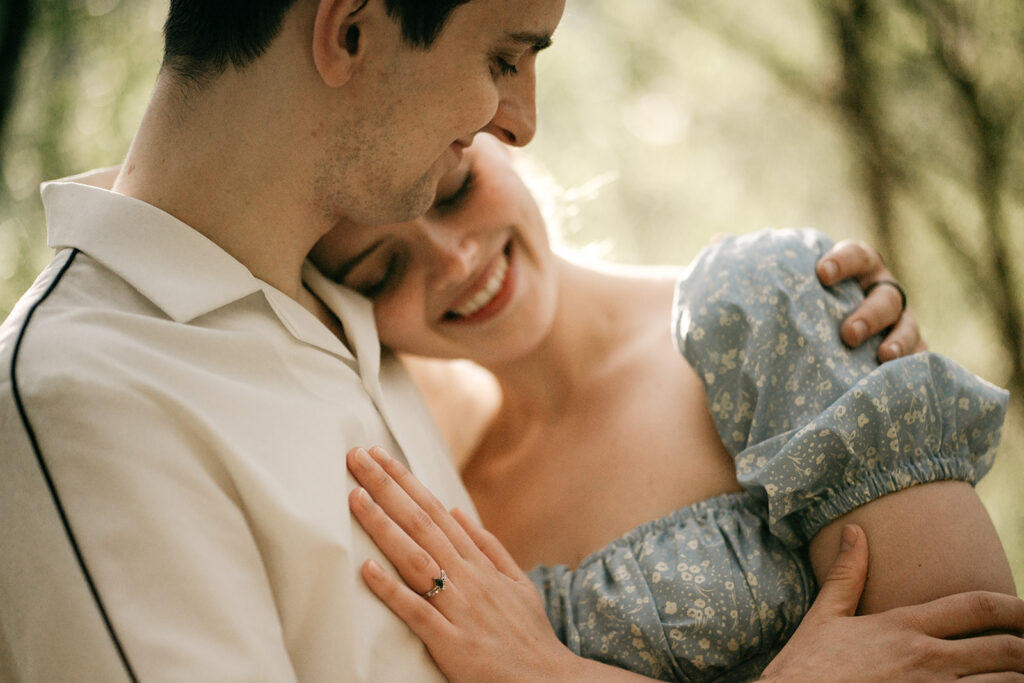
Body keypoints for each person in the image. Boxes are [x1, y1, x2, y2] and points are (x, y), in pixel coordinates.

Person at [316, 134, 1024, 680]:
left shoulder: (759, 304)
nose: (455, 260)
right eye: (382, 271)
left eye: (454, 190)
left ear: (500, 133)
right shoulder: (458, 508)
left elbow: (983, 659)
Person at [0, 1, 566, 680]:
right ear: (350, 31)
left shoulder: (353, 309)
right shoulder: (80, 395)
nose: (519, 122)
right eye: (502, 59)